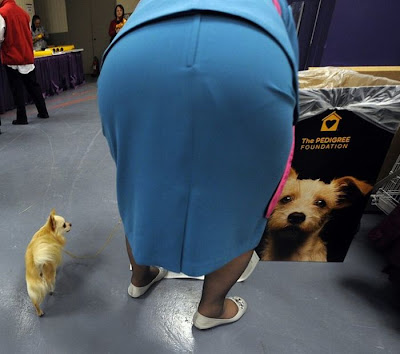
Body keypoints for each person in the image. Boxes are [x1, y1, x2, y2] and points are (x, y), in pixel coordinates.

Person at [98, 0, 298, 330]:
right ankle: (211, 308)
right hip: (251, 61)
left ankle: (140, 278)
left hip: (132, 60)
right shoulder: (276, 4)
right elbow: (291, 74)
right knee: (243, 204)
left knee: (141, 189)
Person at [0, 0, 49, 125]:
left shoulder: (2, 12)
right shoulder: (24, 13)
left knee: (17, 89)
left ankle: (22, 117)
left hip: (12, 57)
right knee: (33, 86)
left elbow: (0, 36)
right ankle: (43, 111)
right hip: (26, 56)